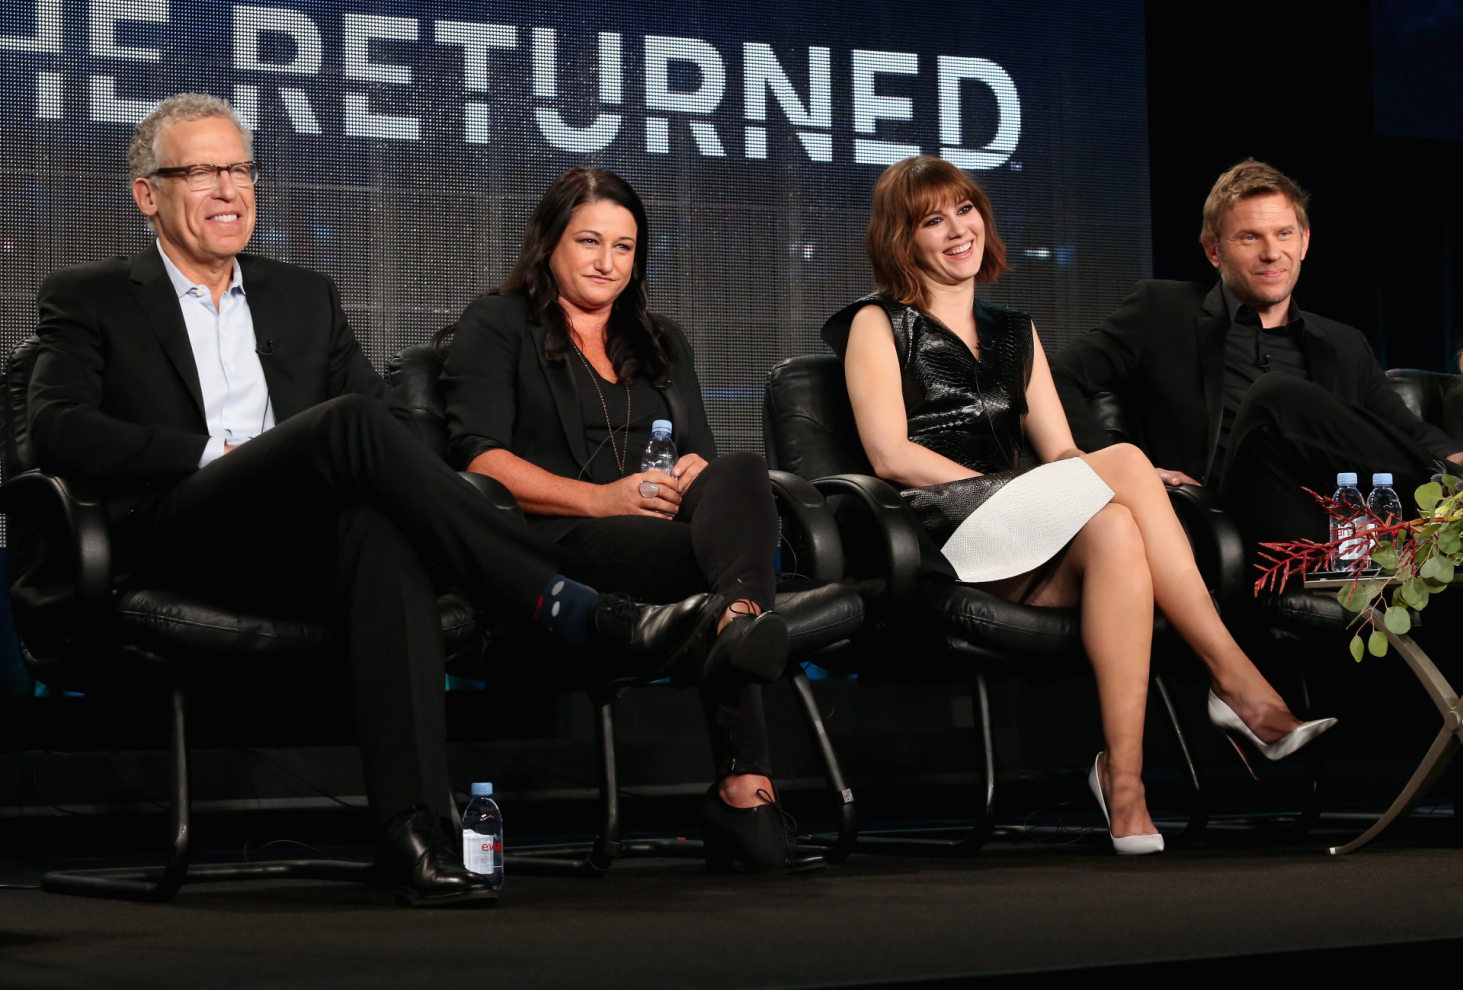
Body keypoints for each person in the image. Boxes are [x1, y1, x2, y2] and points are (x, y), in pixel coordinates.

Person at [27, 94, 708, 906]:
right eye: (203, 172)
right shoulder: (91, 295)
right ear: (148, 195)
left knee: (375, 526)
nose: (229, 190)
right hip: (181, 531)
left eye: (241, 170)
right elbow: (58, 432)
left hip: (299, 545)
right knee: (343, 427)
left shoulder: (303, 296)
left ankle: (413, 831)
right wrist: (218, 452)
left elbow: (392, 432)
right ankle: (558, 599)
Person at [823, 155, 1335, 855]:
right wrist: (1019, 487)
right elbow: (889, 454)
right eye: (930, 220)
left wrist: (1126, 475)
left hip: (1020, 533)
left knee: (1118, 525)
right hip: (938, 533)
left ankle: (1122, 783)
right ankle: (1237, 682)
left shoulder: (1012, 331)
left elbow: (1061, 453)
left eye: (964, 210)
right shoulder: (877, 324)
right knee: (1120, 468)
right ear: (900, 239)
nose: (955, 230)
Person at [440, 167, 815, 874]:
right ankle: (745, 787)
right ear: (548, 241)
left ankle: (738, 617)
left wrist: (699, 474)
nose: (606, 262)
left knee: (736, 470)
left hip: (666, 538)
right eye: (588, 241)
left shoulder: (660, 340)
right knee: (714, 575)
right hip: (557, 547)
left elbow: (699, 460)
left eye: (624, 246)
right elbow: (478, 461)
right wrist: (600, 498)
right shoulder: (497, 325)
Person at [1052, 158, 1463, 548]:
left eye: (1284, 234)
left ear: (1304, 242)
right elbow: (1055, 377)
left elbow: (1405, 433)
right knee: (1274, 398)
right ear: (1214, 250)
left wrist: (1451, 462)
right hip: (1223, 515)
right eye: (1250, 237)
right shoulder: (1161, 311)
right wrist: (1124, 470)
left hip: (1325, 519)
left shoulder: (1342, 343)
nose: (1271, 252)